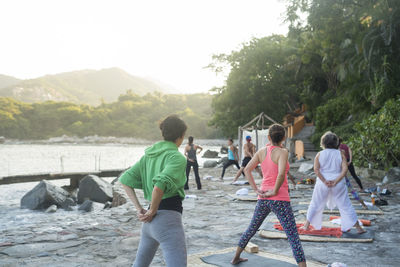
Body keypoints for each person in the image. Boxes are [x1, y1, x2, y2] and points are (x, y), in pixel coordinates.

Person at [231, 124, 306, 267]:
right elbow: (281, 173)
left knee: (252, 229)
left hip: (263, 197)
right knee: (293, 236)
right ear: (284, 137)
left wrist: (256, 190)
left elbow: (247, 170)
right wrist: (275, 191)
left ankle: (235, 258)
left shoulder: (261, 151)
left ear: (269, 137)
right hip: (280, 199)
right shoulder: (282, 152)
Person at [119, 115, 188, 267]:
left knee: (139, 264)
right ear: (181, 136)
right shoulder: (177, 157)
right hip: (168, 219)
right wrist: (153, 210)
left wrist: (141, 209)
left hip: (149, 225)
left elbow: (125, 180)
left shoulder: (149, 156)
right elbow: (159, 185)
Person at [302, 132, 366, 234]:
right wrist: (336, 181)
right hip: (338, 183)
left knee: (315, 203)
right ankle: (359, 228)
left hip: (322, 184)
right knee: (346, 205)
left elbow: (316, 170)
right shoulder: (341, 154)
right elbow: (345, 170)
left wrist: (324, 181)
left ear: (323, 143)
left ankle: (306, 225)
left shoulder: (319, 154)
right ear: (336, 143)